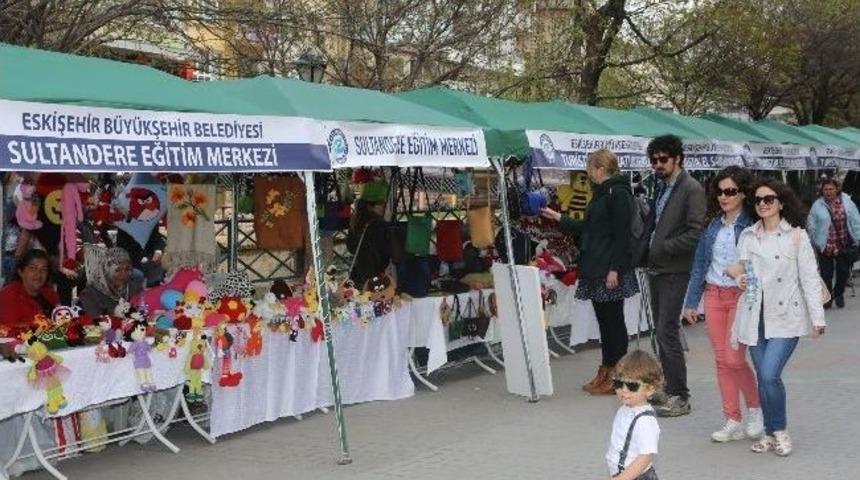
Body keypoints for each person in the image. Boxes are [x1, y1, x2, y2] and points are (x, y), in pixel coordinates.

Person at [728, 178, 826, 457]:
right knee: (765, 377)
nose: (762, 204)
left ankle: (779, 430)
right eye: (758, 200)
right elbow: (741, 270)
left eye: (768, 199)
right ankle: (770, 434)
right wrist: (740, 281)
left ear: (781, 203)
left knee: (770, 374)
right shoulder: (747, 235)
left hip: (785, 316)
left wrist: (818, 318)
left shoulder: (797, 236)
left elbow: (809, 278)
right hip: (754, 315)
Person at [541, 149, 639, 395]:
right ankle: (607, 370)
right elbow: (589, 227)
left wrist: (615, 268)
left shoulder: (618, 194)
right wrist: (560, 218)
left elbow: (621, 236)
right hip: (596, 265)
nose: (587, 172)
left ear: (600, 168)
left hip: (608, 267)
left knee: (613, 322)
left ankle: (618, 375)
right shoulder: (603, 193)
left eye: (589, 167)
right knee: (605, 322)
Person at [681, 166, 763, 442]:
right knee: (721, 360)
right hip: (714, 296)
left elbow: (759, 265)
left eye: (730, 192)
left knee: (733, 358)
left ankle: (754, 408)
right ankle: (732, 419)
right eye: (719, 191)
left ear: (742, 194)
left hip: (740, 298)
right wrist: (692, 302)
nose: (723, 197)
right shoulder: (713, 224)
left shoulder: (752, 225)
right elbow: (700, 264)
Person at [642, 134, 706, 417]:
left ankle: (681, 395)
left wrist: (663, 247)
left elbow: (694, 233)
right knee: (661, 330)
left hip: (673, 269)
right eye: (654, 160)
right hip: (658, 267)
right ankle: (669, 387)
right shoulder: (662, 186)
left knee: (667, 331)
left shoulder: (691, 188)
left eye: (663, 159)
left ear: (677, 158)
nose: (657, 164)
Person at [605, 350, 663, 480]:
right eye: (618, 383)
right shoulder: (624, 409)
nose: (624, 390)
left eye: (632, 386)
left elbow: (645, 456)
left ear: (650, 389)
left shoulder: (644, 421)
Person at [806, 177, 860, 309]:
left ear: (837, 189)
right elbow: (811, 225)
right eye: (825, 189)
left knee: (843, 273)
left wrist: (858, 237)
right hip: (825, 245)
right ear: (822, 190)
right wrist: (816, 241)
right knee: (826, 274)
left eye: (831, 189)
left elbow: (855, 220)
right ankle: (828, 297)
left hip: (843, 244)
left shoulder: (847, 203)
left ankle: (839, 293)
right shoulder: (817, 205)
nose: (828, 192)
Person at [0, 249, 59, 336]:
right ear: (20, 271)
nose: (38, 274)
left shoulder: (49, 294)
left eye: (43, 269)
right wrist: (37, 326)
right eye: (33, 268)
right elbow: (6, 328)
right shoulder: (8, 295)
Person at [78, 247, 143, 317]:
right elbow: (94, 323)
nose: (123, 274)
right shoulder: (90, 294)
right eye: (118, 270)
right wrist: (114, 315)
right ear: (106, 271)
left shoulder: (133, 288)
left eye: (127, 269)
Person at [346, 199, 391, 289]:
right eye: (383, 206)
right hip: (377, 275)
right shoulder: (381, 225)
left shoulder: (355, 223)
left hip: (358, 276)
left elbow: (351, 248)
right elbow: (387, 251)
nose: (385, 209)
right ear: (371, 207)